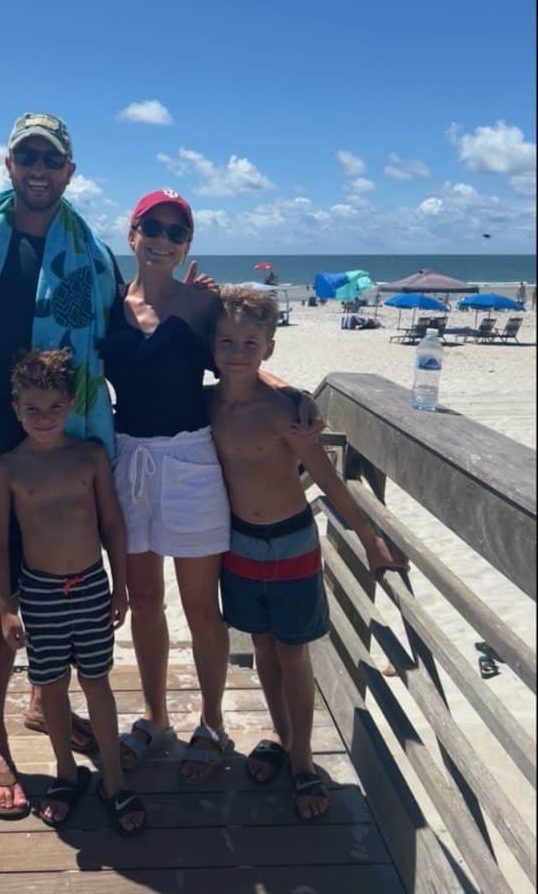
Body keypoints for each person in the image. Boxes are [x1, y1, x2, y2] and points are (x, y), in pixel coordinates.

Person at [0, 112, 118, 816]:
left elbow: (122, 331)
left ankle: (46, 700)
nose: (39, 169)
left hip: (65, 437)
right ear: (9, 165)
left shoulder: (91, 252)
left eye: (52, 159)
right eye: (26, 156)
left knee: (62, 571)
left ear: (70, 171)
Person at [101, 191, 322, 782]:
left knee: (201, 607)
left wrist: (288, 391)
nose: (164, 239)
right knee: (145, 601)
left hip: (192, 460)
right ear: (132, 232)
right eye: (153, 226)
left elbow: (239, 358)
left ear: (187, 244)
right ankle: (153, 717)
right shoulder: (109, 303)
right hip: (130, 459)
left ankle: (212, 721)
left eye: (177, 231)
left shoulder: (202, 307)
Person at [208, 285, 409, 819]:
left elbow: (326, 478)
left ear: (267, 348)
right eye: (225, 340)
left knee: (293, 651)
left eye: (249, 343)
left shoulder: (284, 413)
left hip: (292, 540)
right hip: (239, 545)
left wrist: (370, 540)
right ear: (211, 346)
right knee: (263, 647)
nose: (235, 352)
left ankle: (302, 757)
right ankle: (279, 730)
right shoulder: (205, 405)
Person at [0, 350, 145, 835]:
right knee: (51, 685)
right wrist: (6, 607)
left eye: (54, 408)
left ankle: (112, 778)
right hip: (39, 592)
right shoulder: (6, 468)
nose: (44, 418)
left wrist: (121, 586)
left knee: (97, 680)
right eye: (32, 409)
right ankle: (65, 771)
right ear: (16, 409)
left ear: (71, 405)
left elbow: (112, 524)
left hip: (92, 586)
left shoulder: (90, 456)